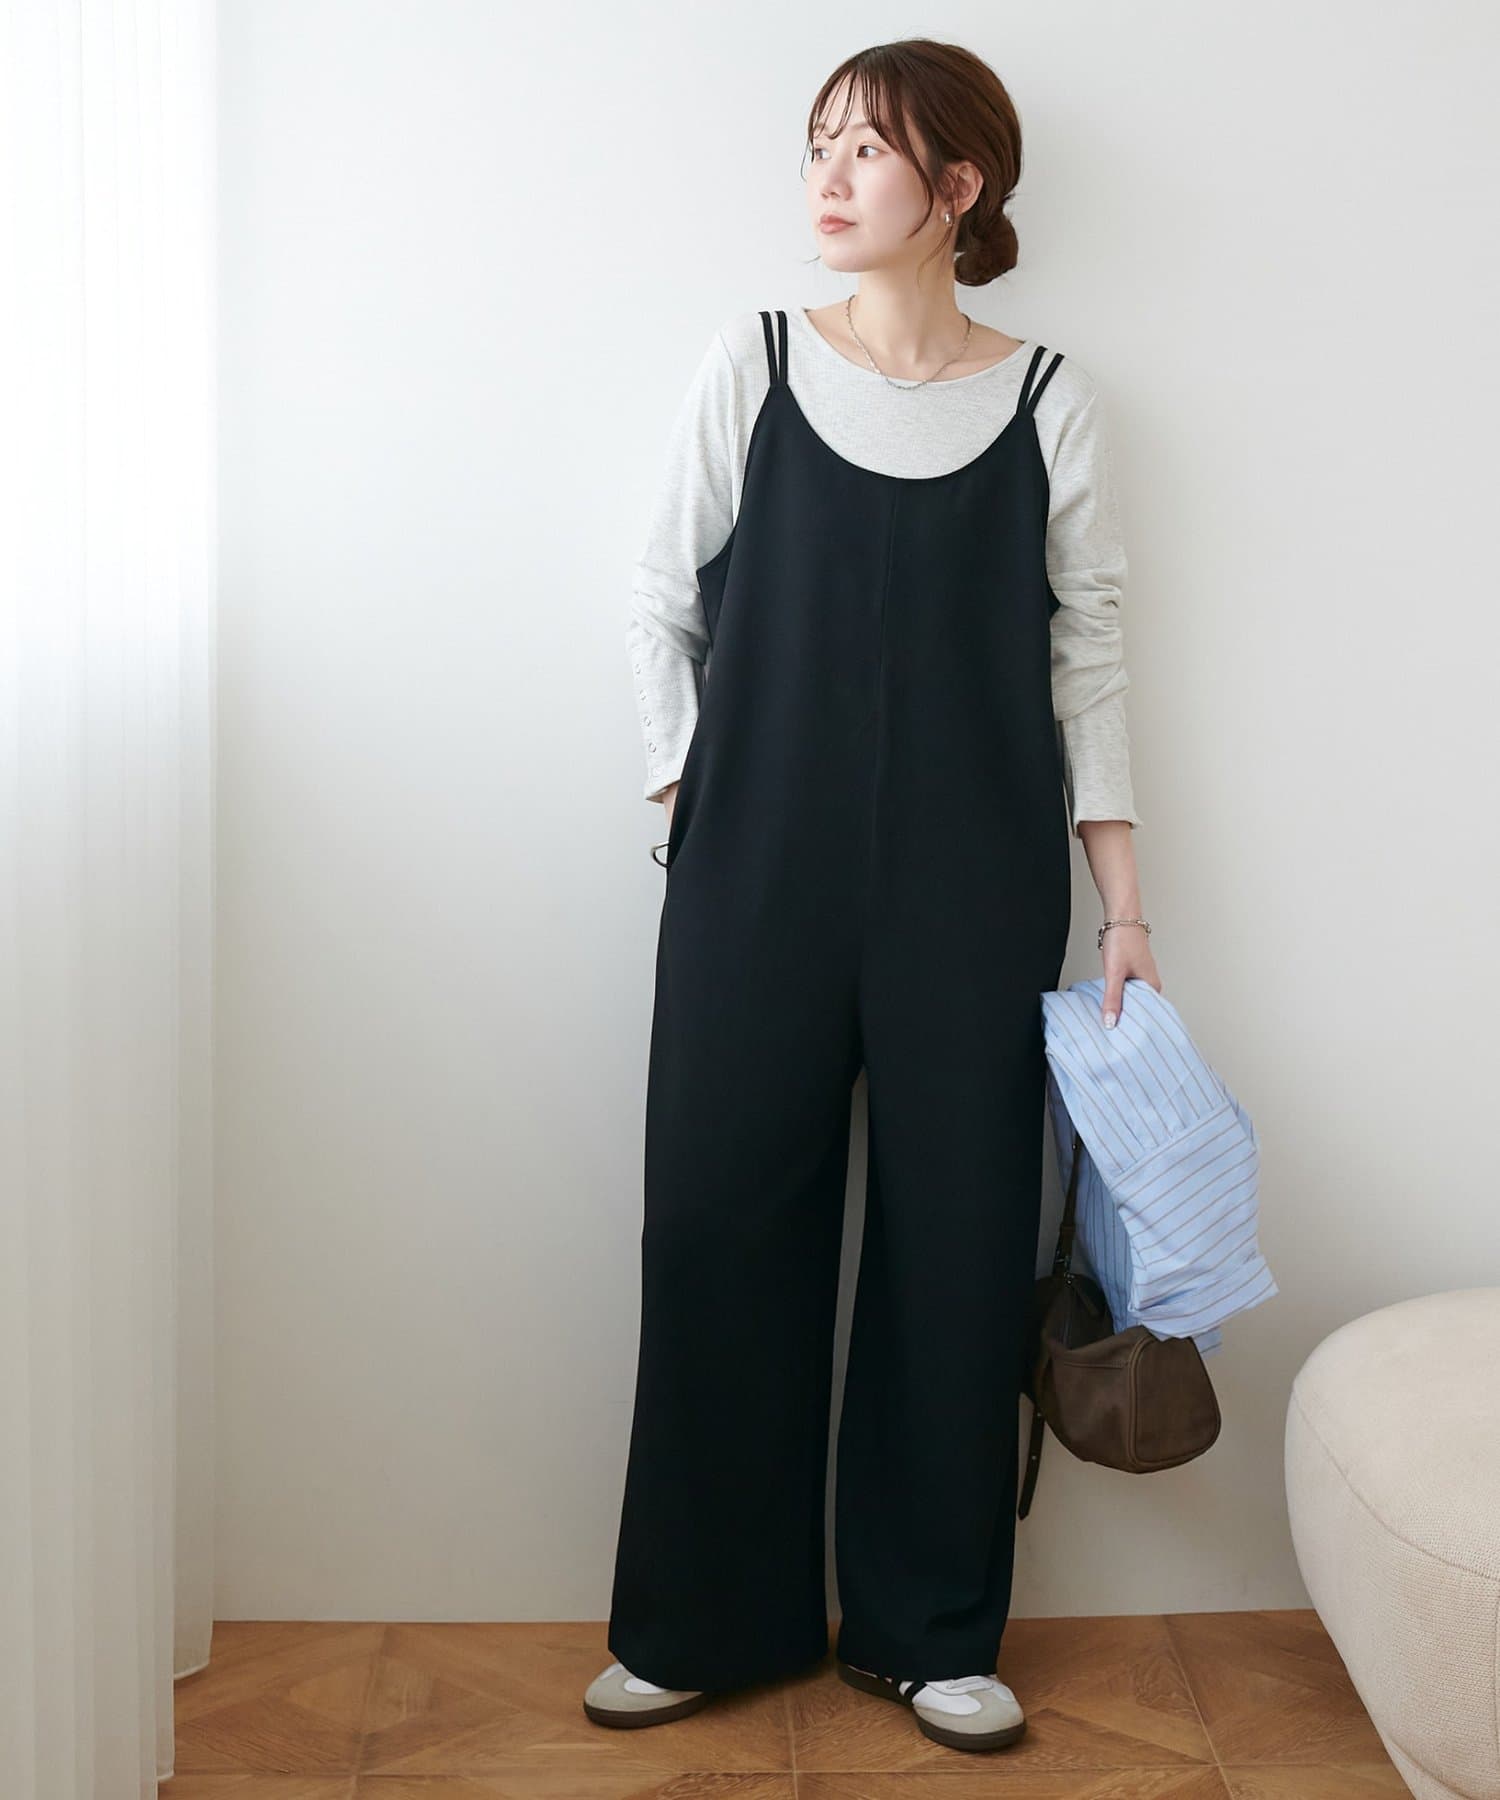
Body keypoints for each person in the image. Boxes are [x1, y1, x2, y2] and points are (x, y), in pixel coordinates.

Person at [585, 37, 1164, 1755]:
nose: (826, 180)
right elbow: (655, 597)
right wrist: (693, 799)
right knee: (716, 1225)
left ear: (957, 188)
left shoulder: (1050, 399)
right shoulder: (756, 362)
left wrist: (1124, 910)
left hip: (976, 893)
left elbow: (1090, 658)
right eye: (817, 145)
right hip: (752, 875)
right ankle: (703, 1618)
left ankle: (931, 1633)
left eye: (865, 151)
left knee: (959, 1247)